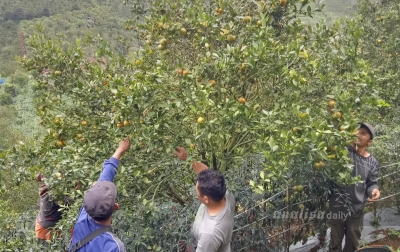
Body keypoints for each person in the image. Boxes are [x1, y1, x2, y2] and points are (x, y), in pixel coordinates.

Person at [68, 139, 130, 252]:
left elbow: (105, 177)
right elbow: (105, 176)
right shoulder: (114, 247)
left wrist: (119, 150)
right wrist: (120, 150)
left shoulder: (84, 218)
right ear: (115, 207)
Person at [329, 123, 380, 252]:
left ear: (369, 141)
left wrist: (374, 191)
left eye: (363, 133)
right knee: (335, 243)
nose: (358, 134)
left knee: (352, 244)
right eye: (358, 131)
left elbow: (372, 183)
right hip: (337, 206)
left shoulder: (372, 162)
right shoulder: (343, 151)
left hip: (356, 210)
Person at [174, 147, 235, 252]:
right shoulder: (225, 194)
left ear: (206, 199)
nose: (195, 189)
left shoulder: (210, 234)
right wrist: (187, 158)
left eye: (197, 190)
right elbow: (207, 173)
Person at [35, 173, 63, 243]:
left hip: (43, 225)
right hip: (46, 229)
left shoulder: (45, 190)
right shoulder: (52, 195)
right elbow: (69, 201)